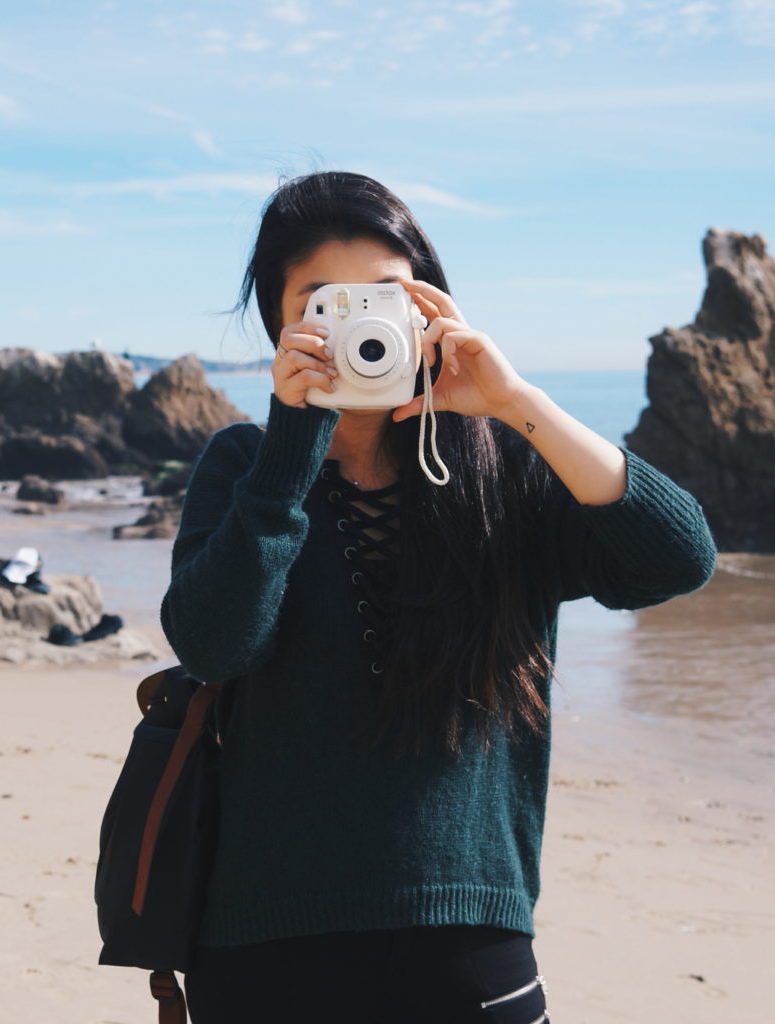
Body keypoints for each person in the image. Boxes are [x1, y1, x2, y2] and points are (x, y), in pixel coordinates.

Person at [160, 171, 716, 1024]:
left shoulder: (503, 470)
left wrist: (518, 404)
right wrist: (292, 442)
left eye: (384, 294)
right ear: (279, 319)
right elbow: (213, 644)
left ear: (430, 308)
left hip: (470, 942)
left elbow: (677, 558)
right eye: (320, 300)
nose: (357, 324)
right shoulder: (245, 467)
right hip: (263, 946)